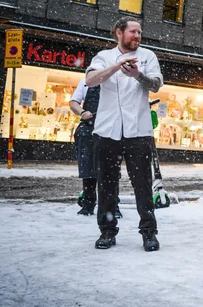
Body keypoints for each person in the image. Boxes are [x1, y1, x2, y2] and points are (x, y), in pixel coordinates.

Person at [85, 17, 164, 252]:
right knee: (106, 184)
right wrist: (115, 68)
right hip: (107, 130)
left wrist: (138, 75)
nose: (137, 36)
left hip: (138, 131)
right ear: (119, 32)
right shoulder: (104, 56)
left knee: (143, 184)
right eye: (133, 32)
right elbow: (90, 80)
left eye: (139, 32)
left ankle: (149, 232)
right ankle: (107, 232)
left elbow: (156, 85)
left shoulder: (148, 56)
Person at [70, 79, 123, 219]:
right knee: (88, 168)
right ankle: (88, 203)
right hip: (88, 129)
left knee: (111, 169)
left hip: (110, 128)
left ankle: (113, 206)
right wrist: (82, 112)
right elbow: (73, 103)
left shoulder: (116, 82)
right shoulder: (86, 82)